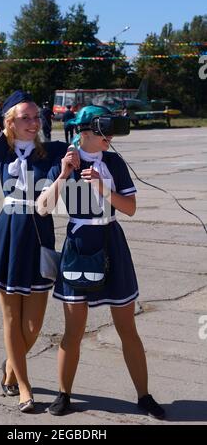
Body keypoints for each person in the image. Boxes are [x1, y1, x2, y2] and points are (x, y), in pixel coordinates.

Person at [37, 106, 165, 419]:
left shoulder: (113, 162)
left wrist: (102, 187)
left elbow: (130, 208)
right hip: (79, 245)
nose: (109, 138)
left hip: (111, 242)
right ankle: (64, 394)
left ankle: (144, 396)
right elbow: (42, 208)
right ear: (85, 132)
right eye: (103, 132)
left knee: (127, 328)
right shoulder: (65, 161)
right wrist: (65, 174)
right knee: (73, 331)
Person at [0, 32, 69, 413]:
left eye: (35, 116)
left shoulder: (53, 151)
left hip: (41, 233)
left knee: (34, 326)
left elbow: (86, 152)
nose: (33, 122)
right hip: (8, 233)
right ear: (11, 122)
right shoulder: (3, 149)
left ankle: (11, 368)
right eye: (25, 117)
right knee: (11, 318)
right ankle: (25, 388)